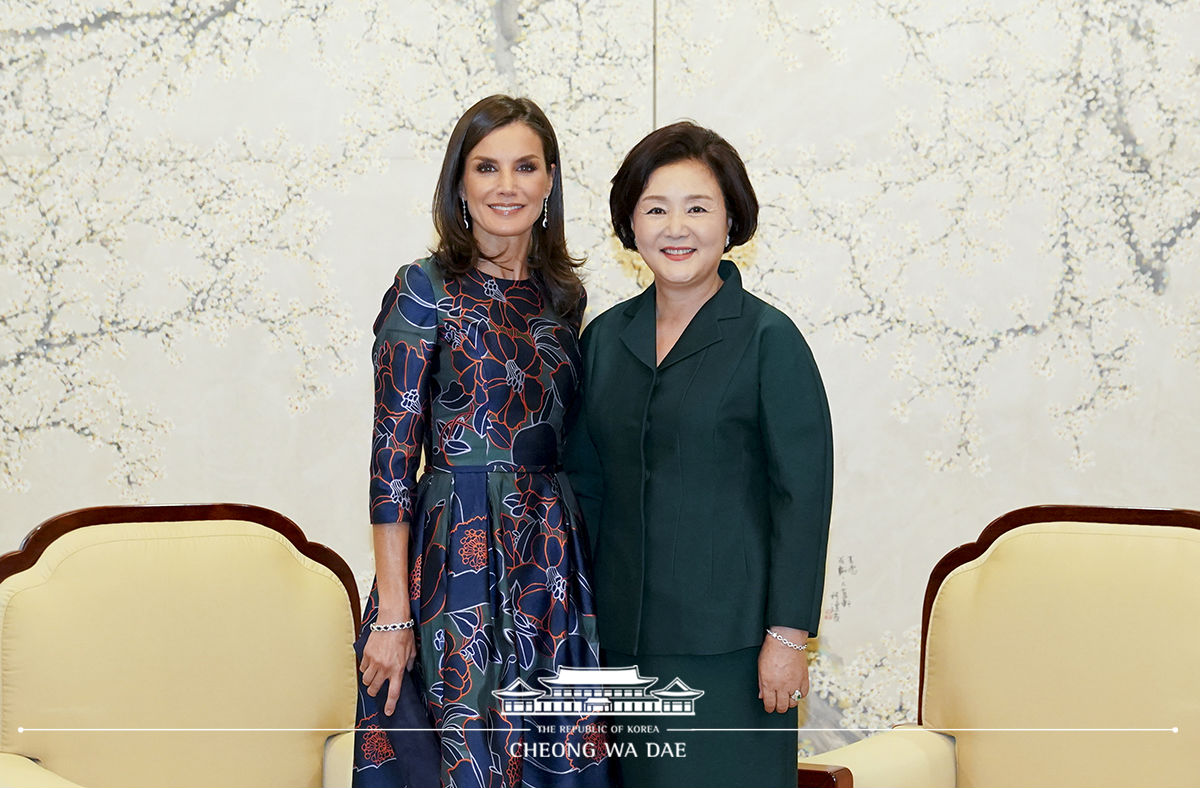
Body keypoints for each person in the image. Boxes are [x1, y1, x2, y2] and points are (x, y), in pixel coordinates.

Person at [564, 121, 833, 788]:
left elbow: (801, 497)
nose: (676, 227)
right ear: (630, 224)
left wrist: (789, 637)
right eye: (656, 208)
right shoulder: (602, 341)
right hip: (621, 649)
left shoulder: (770, 340)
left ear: (731, 218)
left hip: (733, 653)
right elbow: (584, 490)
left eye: (697, 208)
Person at [354, 95, 610, 788]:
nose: (507, 185)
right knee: (461, 760)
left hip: (549, 561)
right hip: (451, 561)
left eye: (525, 167)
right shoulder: (424, 289)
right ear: (459, 183)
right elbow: (391, 460)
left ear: (549, 181)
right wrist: (394, 614)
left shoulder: (564, 299)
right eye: (486, 167)